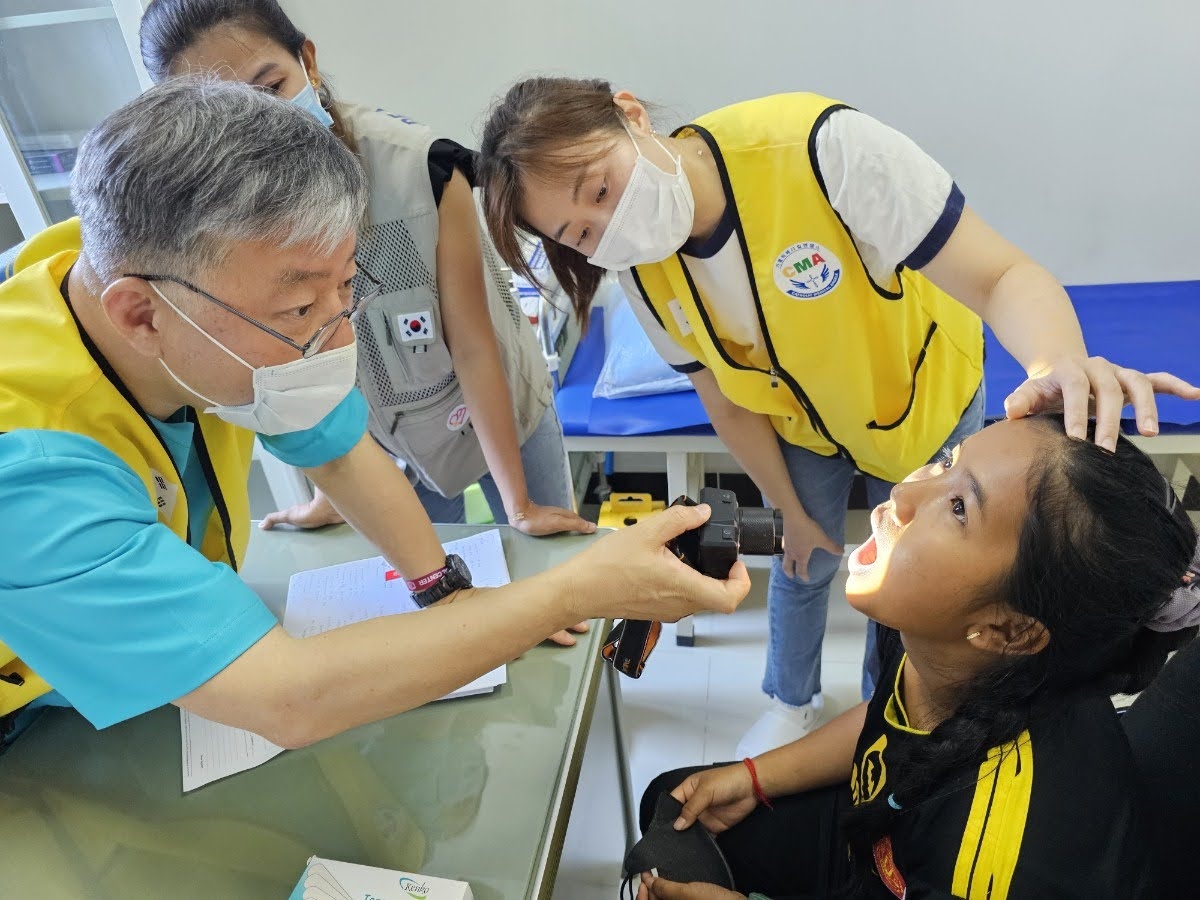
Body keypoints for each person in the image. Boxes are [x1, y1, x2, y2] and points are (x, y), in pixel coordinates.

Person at [0, 77, 749, 752]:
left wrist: (444, 592)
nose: (340, 338)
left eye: (344, 292)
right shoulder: (29, 475)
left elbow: (337, 450)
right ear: (140, 314)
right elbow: (286, 698)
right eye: (300, 307)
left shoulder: (125, 268)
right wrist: (580, 587)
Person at [475, 78, 1200, 754]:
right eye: (580, 235)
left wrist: (1055, 367)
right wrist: (789, 508)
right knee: (803, 559)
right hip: (804, 430)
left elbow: (1002, 275)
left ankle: (881, 719)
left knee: (912, 593)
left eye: (601, 188)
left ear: (631, 114)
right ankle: (790, 702)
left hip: (922, 413)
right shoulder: (642, 267)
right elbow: (723, 398)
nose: (610, 227)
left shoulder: (822, 152)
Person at [632, 416, 1198, 900]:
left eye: (957, 508)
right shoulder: (949, 640)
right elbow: (892, 716)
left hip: (920, 859)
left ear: (1009, 628)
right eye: (948, 460)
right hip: (877, 841)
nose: (902, 495)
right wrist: (754, 776)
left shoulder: (995, 855)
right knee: (675, 797)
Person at [140, 0, 594, 555]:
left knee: (548, 560)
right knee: (438, 581)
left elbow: (474, 347)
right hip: (386, 437)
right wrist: (331, 485)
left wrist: (520, 505)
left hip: (499, 407)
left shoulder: (423, 168)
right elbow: (295, 358)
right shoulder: (227, 216)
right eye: (223, 112)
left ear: (306, 60)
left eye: (269, 89)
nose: (258, 129)